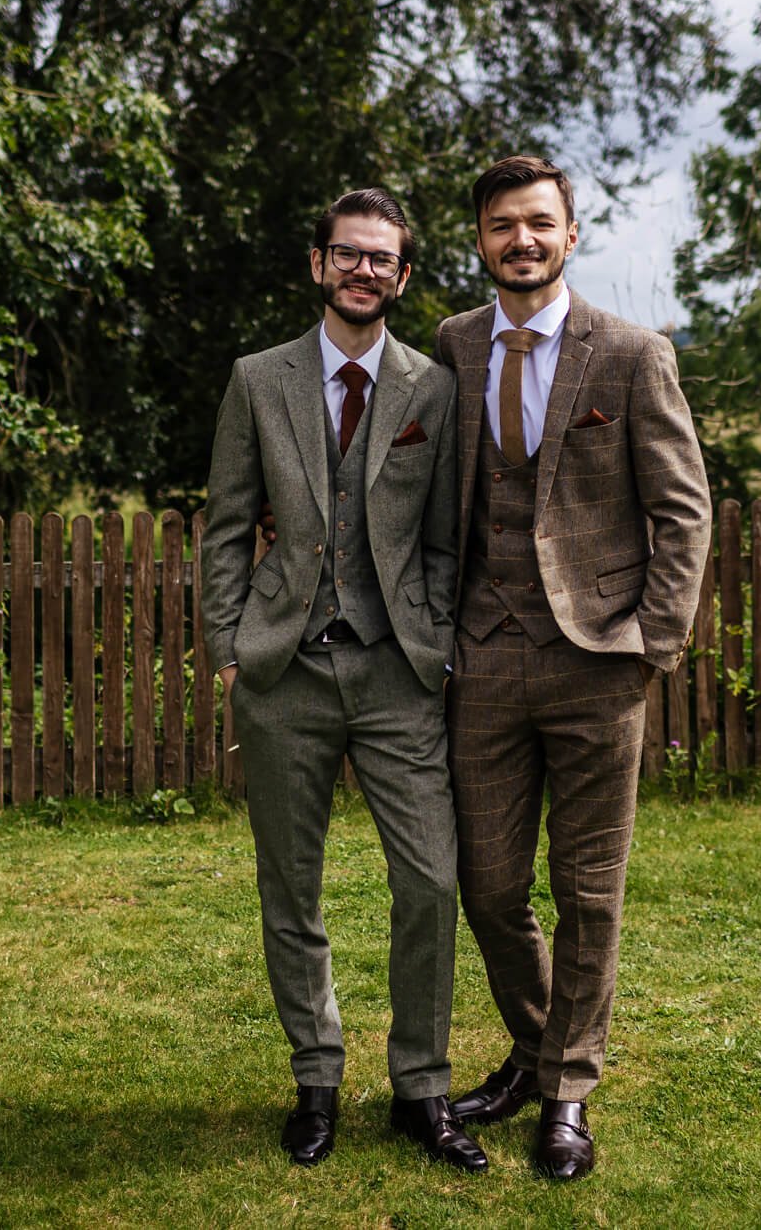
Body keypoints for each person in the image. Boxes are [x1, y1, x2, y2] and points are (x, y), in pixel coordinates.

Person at [199, 188, 485, 1173]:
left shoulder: (432, 391)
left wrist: (436, 640)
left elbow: (444, 539)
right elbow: (227, 522)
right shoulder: (255, 380)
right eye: (348, 255)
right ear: (317, 264)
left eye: (382, 260)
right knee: (292, 887)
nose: (364, 271)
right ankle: (315, 1078)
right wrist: (228, 645)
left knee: (430, 880)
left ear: (403, 278)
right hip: (282, 672)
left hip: (397, 672)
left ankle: (422, 1087)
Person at [437, 155, 711, 1179]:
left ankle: (565, 1093)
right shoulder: (453, 346)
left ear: (569, 233)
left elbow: (682, 508)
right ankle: (535, 1040)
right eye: (502, 225)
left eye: (538, 223)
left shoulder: (633, 354)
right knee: (487, 881)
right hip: (481, 657)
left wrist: (653, 640)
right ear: (479, 240)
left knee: (588, 889)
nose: (521, 239)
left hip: (599, 662)